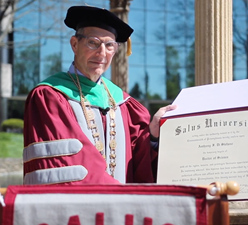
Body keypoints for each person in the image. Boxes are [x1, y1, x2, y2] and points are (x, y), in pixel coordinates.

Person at [23, 5, 176, 185]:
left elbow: (138, 163)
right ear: (74, 44)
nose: (102, 53)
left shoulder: (124, 103)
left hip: (123, 210)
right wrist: (120, 194)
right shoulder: (50, 97)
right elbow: (68, 165)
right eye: (93, 43)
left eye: (110, 45)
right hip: (77, 210)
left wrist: (152, 136)